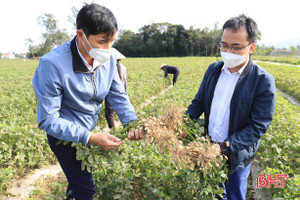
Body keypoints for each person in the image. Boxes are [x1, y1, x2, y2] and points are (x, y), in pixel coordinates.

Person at [32, 3, 142, 200]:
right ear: (81, 35)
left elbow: (117, 94)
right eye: (102, 42)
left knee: (78, 183)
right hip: (64, 136)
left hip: (88, 131)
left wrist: (131, 121)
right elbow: (48, 120)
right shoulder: (52, 64)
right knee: (85, 190)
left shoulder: (107, 57)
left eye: (112, 41)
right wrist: (89, 137)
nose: (108, 49)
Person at [185, 14, 276, 200]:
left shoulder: (262, 81)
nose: (228, 51)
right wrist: (182, 124)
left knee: (234, 194)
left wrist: (226, 146)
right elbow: (199, 103)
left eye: (236, 47)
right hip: (209, 149)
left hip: (237, 156)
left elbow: (257, 126)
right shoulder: (213, 70)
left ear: (251, 48)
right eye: (224, 45)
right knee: (212, 193)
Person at [105, 48, 128, 129]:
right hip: (121, 92)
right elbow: (125, 82)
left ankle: (113, 130)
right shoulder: (123, 67)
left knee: (109, 112)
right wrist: (126, 93)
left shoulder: (109, 68)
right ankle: (127, 128)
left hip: (111, 92)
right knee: (123, 111)